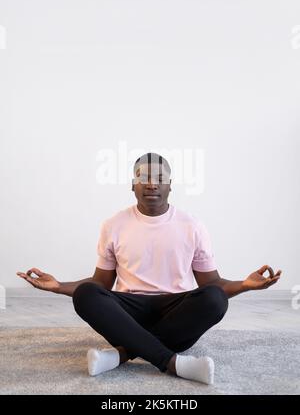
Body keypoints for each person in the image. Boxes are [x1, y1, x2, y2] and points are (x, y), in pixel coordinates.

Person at [17, 152, 282, 385]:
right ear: (133, 185)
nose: (152, 183)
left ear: (170, 185)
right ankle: (173, 363)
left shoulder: (192, 225)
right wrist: (60, 287)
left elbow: (212, 285)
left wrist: (245, 285)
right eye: (143, 176)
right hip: (128, 314)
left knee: (215, 299)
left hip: (177, 314)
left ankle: (122, 354)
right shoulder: (113, 224)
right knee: (86, 294)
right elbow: (101, 284)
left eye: (160, 177)